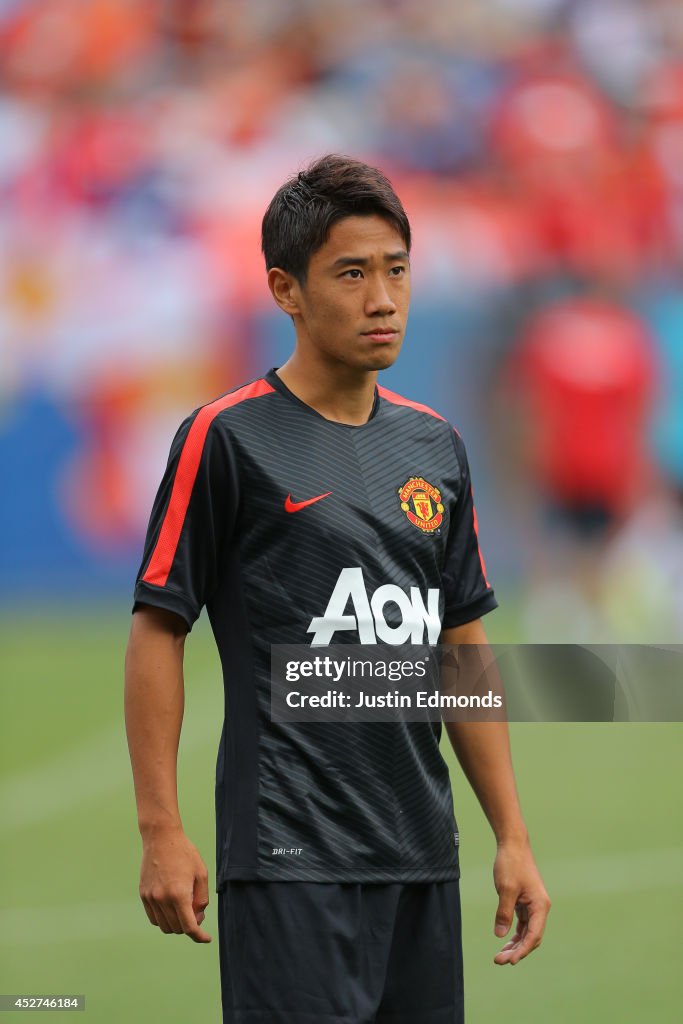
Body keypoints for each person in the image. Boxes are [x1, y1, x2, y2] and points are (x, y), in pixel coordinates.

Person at [124, 154, 550, 1024]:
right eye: (351, 274)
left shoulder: (436, 446)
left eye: (395, 270)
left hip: (422, 854)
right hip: (289, 855)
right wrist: (160, 831)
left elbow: (458, 646)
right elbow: (157, 627)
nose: (382, 298)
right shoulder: (226, 437)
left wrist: (511, 835)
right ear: (286, 290)